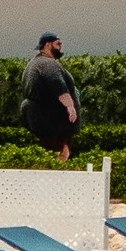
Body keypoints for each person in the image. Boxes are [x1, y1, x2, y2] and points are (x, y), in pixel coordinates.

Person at [22, 33, 79, 162]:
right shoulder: (47, 64)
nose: (60, 48)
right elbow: (58, 85)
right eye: (58, 44)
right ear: (48, 45)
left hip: (43, 120)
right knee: (58, 157)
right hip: (51, 123)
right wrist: (70, 107)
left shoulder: (35, 63)